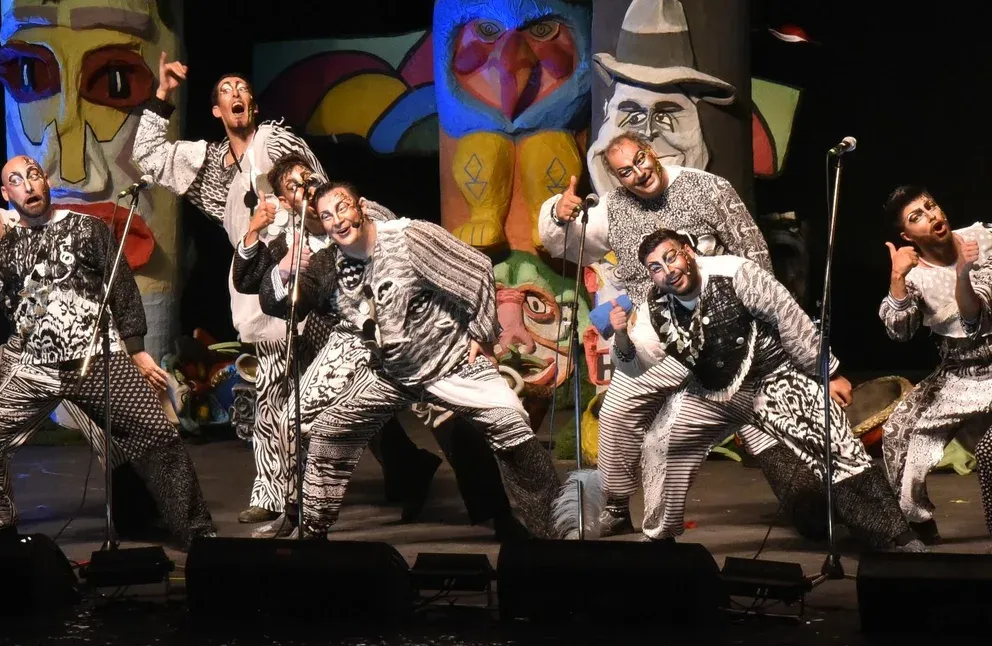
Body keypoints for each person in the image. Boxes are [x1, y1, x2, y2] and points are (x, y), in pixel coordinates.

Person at [132, 55, 437, 525]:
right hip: (264, 280)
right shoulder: (208, 163)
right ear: (216, 110)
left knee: (351, 383)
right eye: (227, 89)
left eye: (243, 88)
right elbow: (148, 155)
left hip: (313, 272)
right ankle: (277, 491)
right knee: (275, 385)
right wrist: (163, 93)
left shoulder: (276, 142)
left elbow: (318, 195)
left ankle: (410, 463)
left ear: (253, 104)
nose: (237, 93)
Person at [237, 160, 525, 539]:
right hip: (350, 339)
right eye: (294, 187)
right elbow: (256, 287)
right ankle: (297, 515)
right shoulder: (288, 243)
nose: (306, 189)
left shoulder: (363, 211)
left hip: (407, 332)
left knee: (450, 416)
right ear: (286, 201)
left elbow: (402, 249)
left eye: (308, 178)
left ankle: (498, 514)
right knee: (293, 418)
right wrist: (284, 271)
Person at [539, 130, 791, 535]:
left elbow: (754, 254)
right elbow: (567, 246)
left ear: (651, 152)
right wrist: (558, 214)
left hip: (722, 326)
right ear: (617, 179)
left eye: (640, 159)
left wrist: (766, 325)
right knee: (617, 411)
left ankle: (806, 496)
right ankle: (616, 508)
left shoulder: (708, 188)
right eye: (625, 171)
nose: (638, 173)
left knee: (760, 414)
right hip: (655, 332)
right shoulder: (614, 207)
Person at [607, 229, 923, 550]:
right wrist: (621, 336)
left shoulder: (735, 272)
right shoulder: (656, 305)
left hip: (772, 379)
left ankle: (895, 536)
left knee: (835, 442)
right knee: (661, 443)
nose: (668, 270)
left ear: (688, 252)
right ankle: (660, 538)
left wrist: (828, 372)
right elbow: (637, 363)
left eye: (671, 257)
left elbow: (789, 317)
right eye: (656, 267)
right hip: (712, 393)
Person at [0, 156, 215, 549]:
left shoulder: (86, 228)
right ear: (6, 193)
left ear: (45, 181)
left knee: (158, 436)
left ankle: (199, 535)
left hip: (99, 359)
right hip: (35, 369)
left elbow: (121, 288)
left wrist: (136, 349)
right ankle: (2, 538)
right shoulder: (2, 251)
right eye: (16, 181)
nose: (28, 186)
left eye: (33, 175)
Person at [879, 186, 992, 543]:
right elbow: (899, 333)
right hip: (960, 372)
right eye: (917, 217)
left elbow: (974, 318)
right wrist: (897, 279)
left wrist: (964, 272)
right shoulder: (914, 276)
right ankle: (918, 522)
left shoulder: (982, 239)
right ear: (907, 236)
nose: (931, 216)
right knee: (901, 430)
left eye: (930, 207)